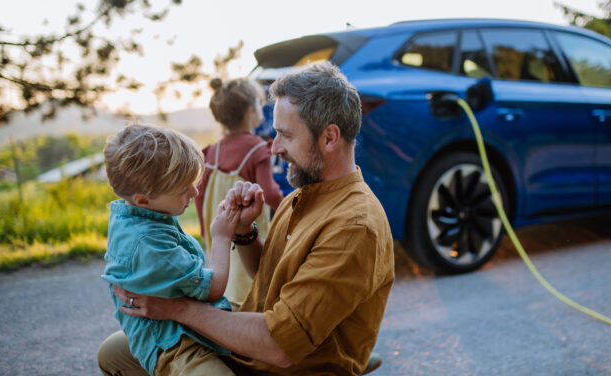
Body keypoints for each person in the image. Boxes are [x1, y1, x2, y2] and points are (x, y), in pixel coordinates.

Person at [98, 62, 395, 375]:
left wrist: (177, 309)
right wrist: (244, 232)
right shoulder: (303, 196)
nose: (274, 146)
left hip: (284, 364)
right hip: (250, 350)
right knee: (115, 352)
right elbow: (270, 274)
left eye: (285, 135)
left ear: (330, 137)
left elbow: (278, 345)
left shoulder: (354, 226)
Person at [101, 124, 240, 375]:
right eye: (183, 190)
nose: (195, 192)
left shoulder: (138, 214)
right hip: (175, 344)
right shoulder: (148, 243)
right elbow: (213, 287)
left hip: (187, 325)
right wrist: (220, 237)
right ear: (144, 199)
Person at [196, 77, 283, 304]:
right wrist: (291, 210)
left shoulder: (212, 151)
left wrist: (205, 230)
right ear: (250, 110)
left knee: (226, 276)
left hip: (219, 227)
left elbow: (200, 195)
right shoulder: (256, 149)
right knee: (250, 280)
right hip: (246, 231)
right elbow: (270, 193)